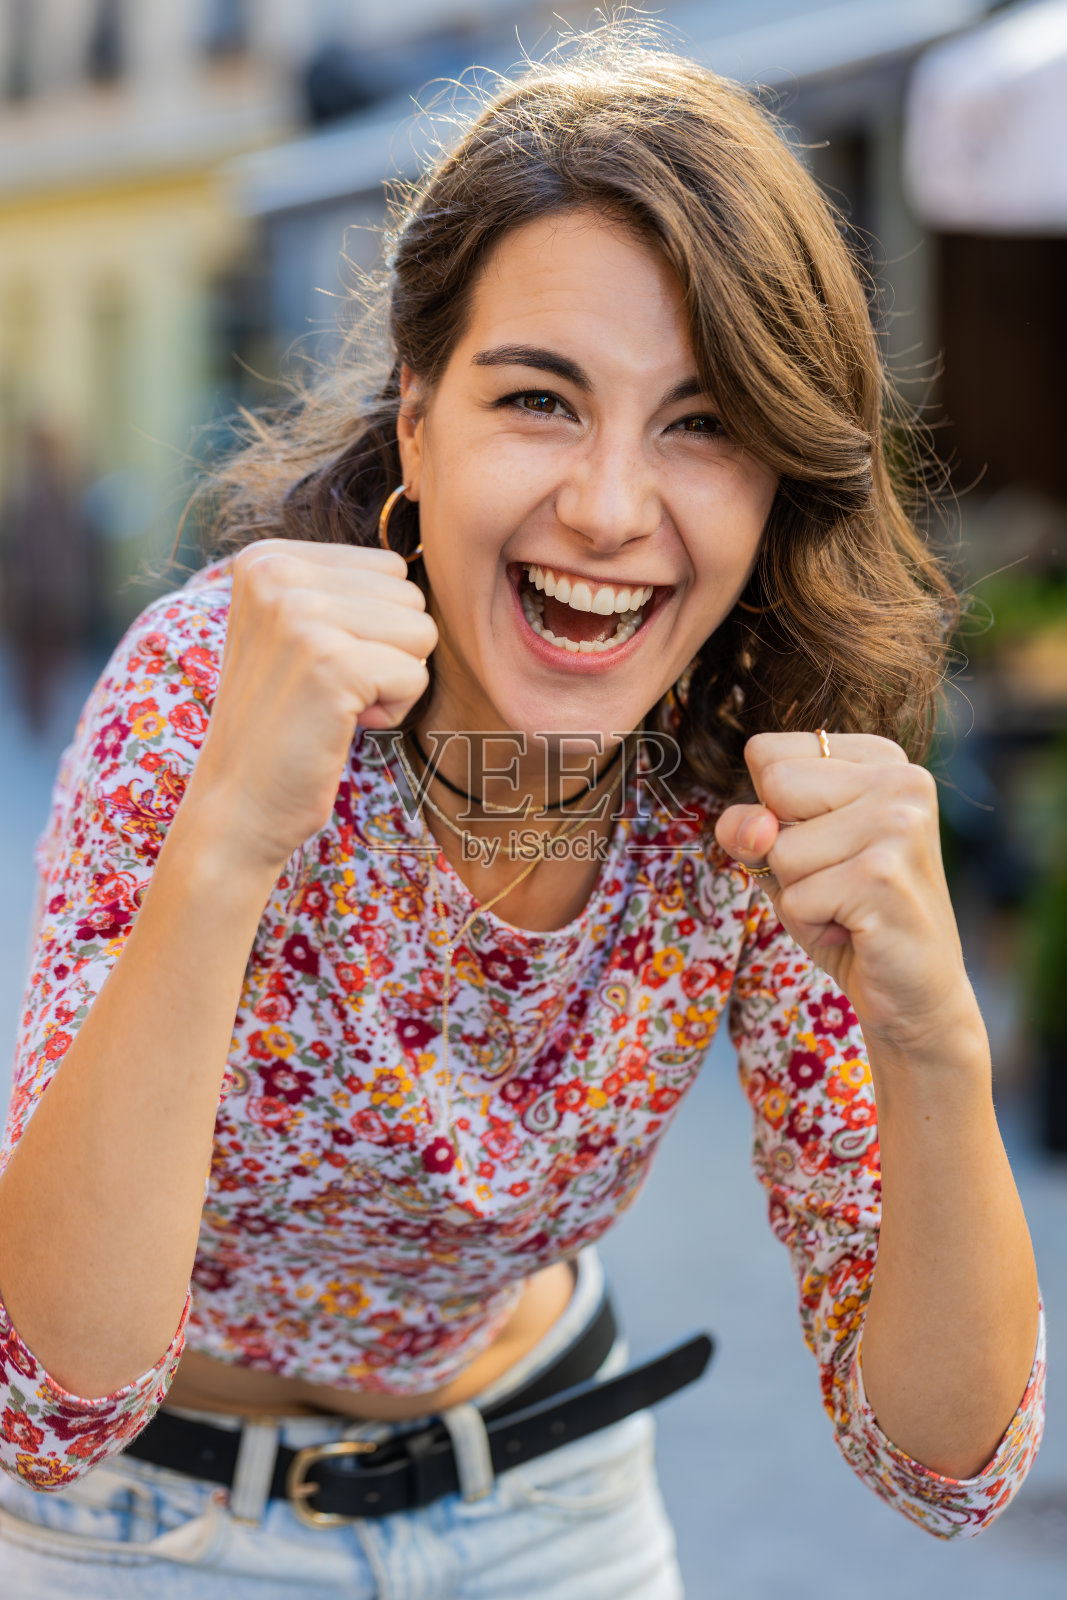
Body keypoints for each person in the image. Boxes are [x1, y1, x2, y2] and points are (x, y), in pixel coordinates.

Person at [0, 26, 1045, 1598]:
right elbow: (47, 1394)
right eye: (539, 401)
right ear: (417, 417)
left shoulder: (756, 771)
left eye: (701, 424)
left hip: (548, 1504)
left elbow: (949, 1469)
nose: (611, 508)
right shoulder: (212, 688)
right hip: (138, 1525)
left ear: (773, 486)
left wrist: (940, 1038)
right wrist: (227, 843)